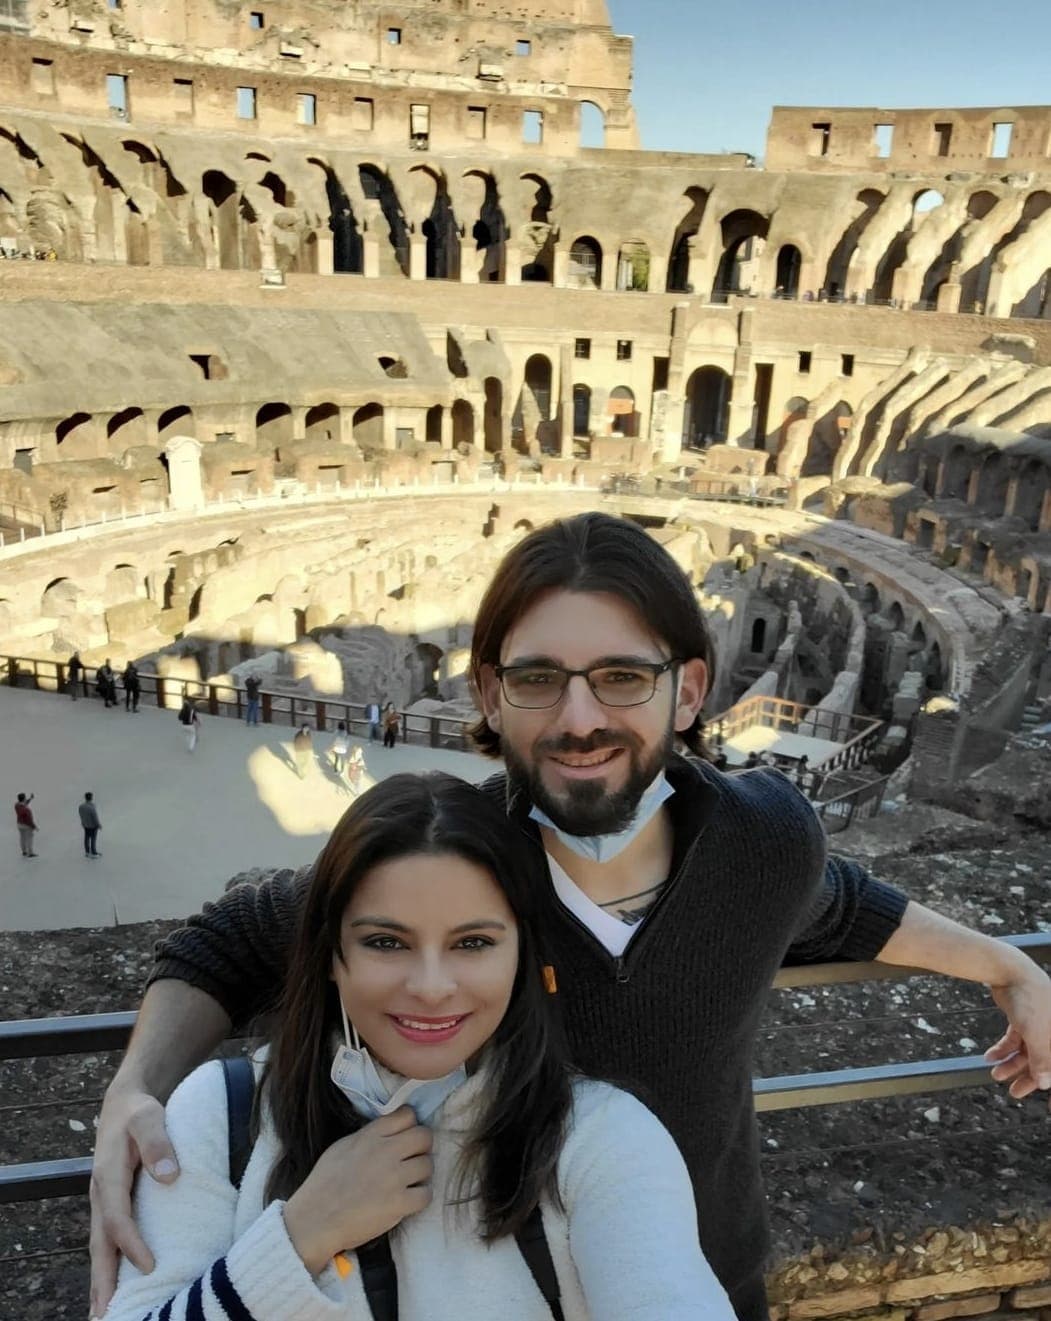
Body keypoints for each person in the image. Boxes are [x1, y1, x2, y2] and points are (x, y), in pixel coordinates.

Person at [89, 513, 1051, 1321]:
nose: (579, 717)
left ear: (690, 689)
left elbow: (843, 906)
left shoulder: (763, 837)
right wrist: (134, 1092)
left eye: (622, 676)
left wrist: (1005, 964)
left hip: (707, 1270)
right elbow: (227, 942)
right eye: (540, 677)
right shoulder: (449, 872)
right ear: (490, 695)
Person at [101, 773, 730, 1321]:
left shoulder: (598, 1140)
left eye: (473, 943)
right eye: (386, 942)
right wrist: (298, 1239)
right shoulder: (222, 1115)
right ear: (329, 954)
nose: (431, 988)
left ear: (522, 955)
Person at [79, 791, 102, 858]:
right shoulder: (92, 807)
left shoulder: (81, 806)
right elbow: (95, 817)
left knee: (86, 838)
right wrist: (98, 825)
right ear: (91, 798)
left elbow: (81, 815)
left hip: (86, 825)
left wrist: (83, 822)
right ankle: (93, 852)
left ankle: (87, 852)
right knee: (93, 839)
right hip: (93, 826)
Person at [14, 792, 37, 857]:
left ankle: (24, 851)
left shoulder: (16, 805)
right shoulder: (26, 810)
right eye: (25, 798)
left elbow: (25, 803)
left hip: (19, 824)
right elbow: (28, 820)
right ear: (23, 799)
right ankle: (30, 853)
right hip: (26, 826)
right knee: (29, 839)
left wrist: (30, 798)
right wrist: (34, 826)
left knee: (22, 838)